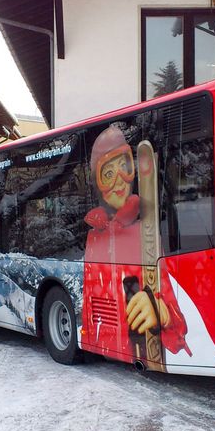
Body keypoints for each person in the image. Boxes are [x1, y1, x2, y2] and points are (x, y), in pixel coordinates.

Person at [82, 126, 190, 363]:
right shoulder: (94, 237)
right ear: (97, 183)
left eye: (125, 167)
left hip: (141, 349)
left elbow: (175, 317)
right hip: (107, 345)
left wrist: (163, 313)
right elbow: (90, 309)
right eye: (107, 174)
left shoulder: (147, 229)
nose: (119, 181)